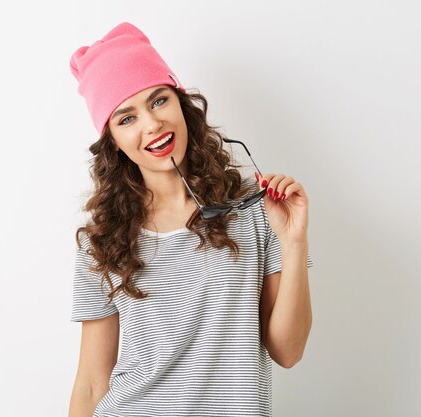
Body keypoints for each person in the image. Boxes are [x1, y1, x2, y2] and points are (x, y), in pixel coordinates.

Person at [67, 22, 315, 417]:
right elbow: (92, 382)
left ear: (181, 103)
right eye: (126, 118)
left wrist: (294, 242)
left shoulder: (255, 208)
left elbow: (288, 351)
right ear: (112, 139)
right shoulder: (102, 240)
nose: (151, 124)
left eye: (158, 100)